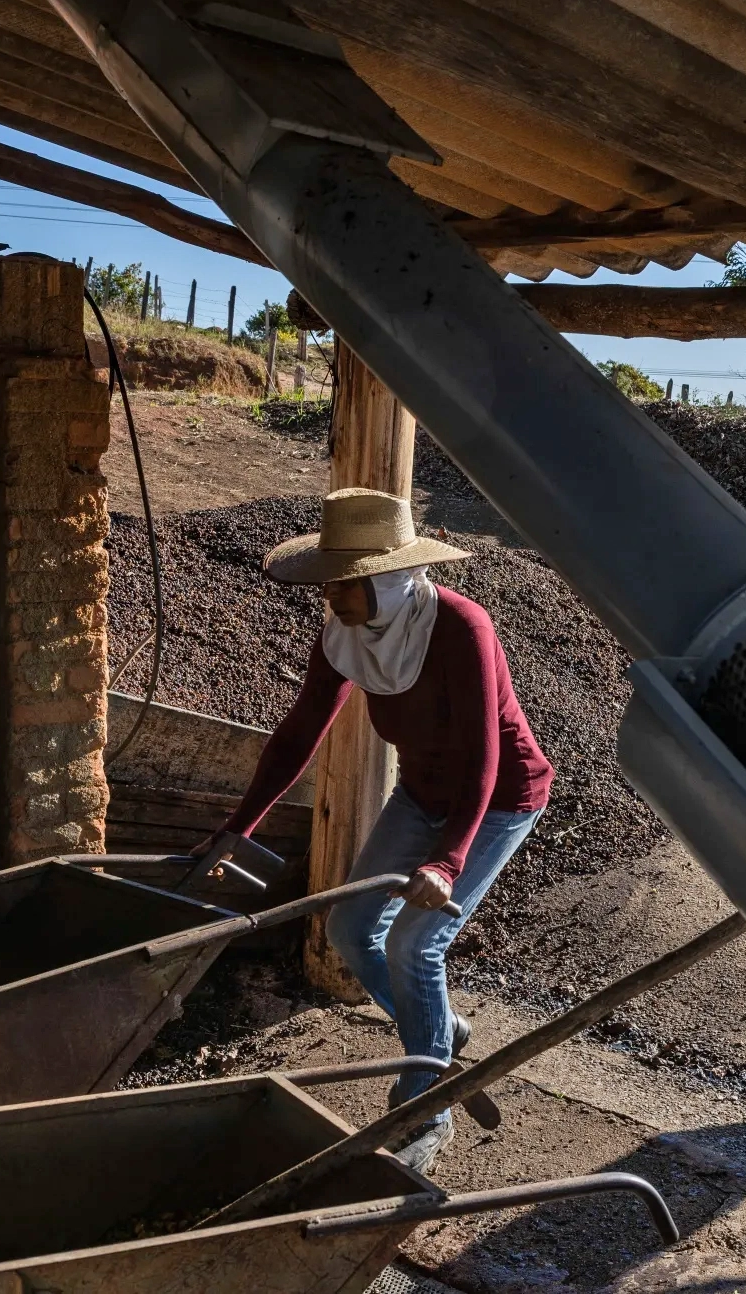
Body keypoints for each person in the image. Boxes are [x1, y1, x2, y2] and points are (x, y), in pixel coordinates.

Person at [205, 487, 553, 1172]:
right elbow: (299, 732)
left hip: (499, 798)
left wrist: (448, 864)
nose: (332, 594)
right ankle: (440, 1036)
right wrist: (237, 828)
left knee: (417, 944)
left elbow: (484, 755)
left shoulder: (460, 626)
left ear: (390, 578)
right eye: (330, 580)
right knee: (349, 931)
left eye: (348, 581)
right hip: (422, 794)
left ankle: (422, 1112)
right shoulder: (345, 634)